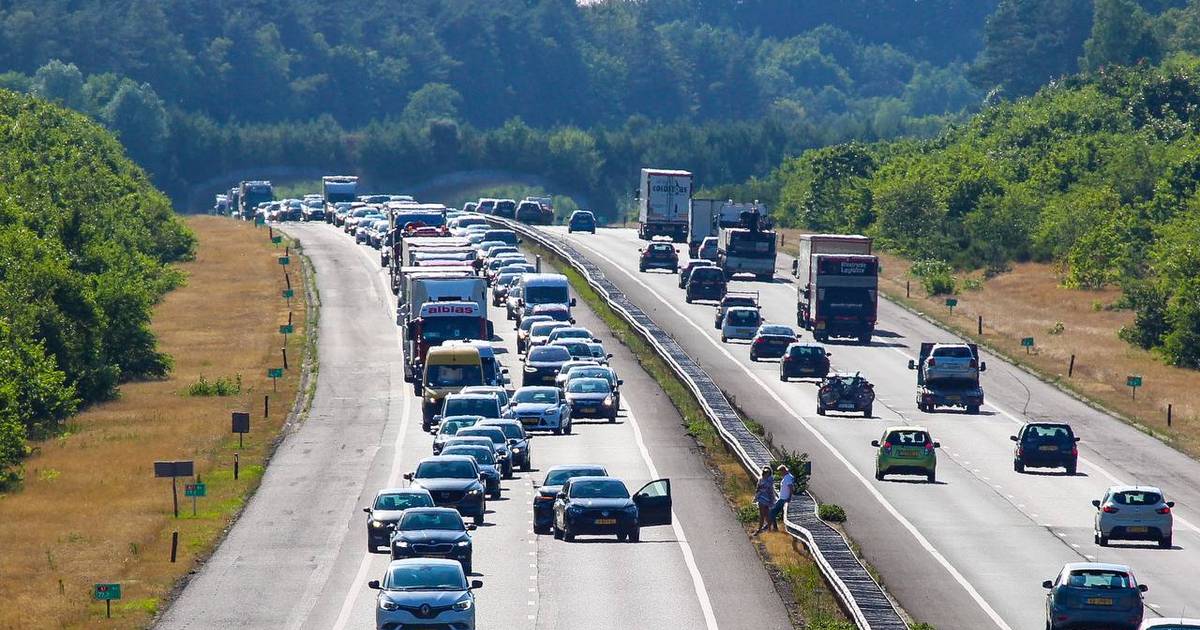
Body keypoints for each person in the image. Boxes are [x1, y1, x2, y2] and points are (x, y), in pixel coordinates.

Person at [752, 466, 776, 535]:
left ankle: (761, 529)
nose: (765, 473)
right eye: (765, 472)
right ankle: (768, 529)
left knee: (764, 515)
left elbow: (760, 489)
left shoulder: (764, 480)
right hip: (764, 499)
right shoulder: (769, 480)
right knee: (765, 515)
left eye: (767, 472)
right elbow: (758, 489)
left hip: (765, 499)